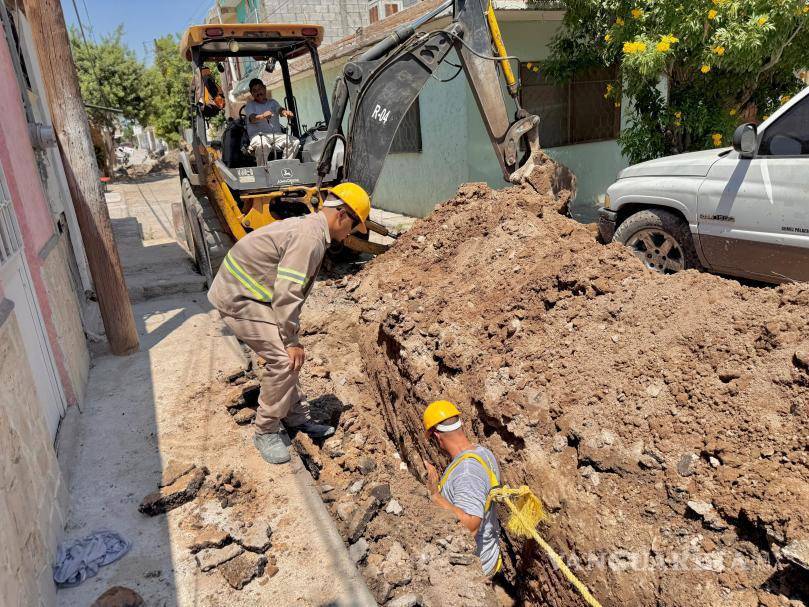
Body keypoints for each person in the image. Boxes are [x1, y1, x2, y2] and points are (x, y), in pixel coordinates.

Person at [208, 183, 371, 464]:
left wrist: (290, 338)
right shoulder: (310, 239)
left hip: (253, 294)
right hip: (238, 296)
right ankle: (266, 430)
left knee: (291, 357)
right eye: (353, 227)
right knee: (284, 360)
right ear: (342, 215)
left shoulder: (312, 230)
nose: (350, 234)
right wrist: (291, 340)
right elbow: (288, 293)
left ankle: (296, 417)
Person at [422, 400, 503, 576]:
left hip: (477, 567)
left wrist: (436, 496)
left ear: (437, 436)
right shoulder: (482, 452)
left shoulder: (467, 472)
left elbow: (470, 526)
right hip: (490, 553)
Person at [244, 78, 299, 163]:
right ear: (251, 93)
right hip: (259, 136)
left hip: (276, 136)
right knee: (263, 144)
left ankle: (285, 166)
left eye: (260, 89)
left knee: (295, 141)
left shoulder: (272, 102)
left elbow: (280, 110)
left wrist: (285, 112)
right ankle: (262, 169)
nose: (258, 93)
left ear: (264, 88)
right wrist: (263, 116)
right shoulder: (250, 105)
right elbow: (252, 118)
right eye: (255, 91)